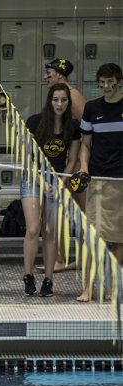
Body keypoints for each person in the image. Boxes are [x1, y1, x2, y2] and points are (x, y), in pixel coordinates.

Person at [21, 83, 80, 298]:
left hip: (57, 180)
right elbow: (27, 157)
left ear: (68, 102)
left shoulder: (73, 126)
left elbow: (72, 160)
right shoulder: (35, 122)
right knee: (34, 228)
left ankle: (48, 279)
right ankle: (28, 276)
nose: (59, 104)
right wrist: (41, 181)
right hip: (33, 177)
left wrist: (60, 182)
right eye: (56, 100)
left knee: (50, 232)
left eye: (63, 100)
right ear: (49, 101)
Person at [76, 62, 123, 302]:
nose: (105, 87)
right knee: (92, 237)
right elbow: (85, 144)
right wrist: (84, 168)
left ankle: (111, 286)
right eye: (102, 83)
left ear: (119, 82)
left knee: (119, 238)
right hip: (98, 180)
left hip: (120, 182)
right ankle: (88, 288)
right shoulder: (92, 108)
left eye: (110, 83)